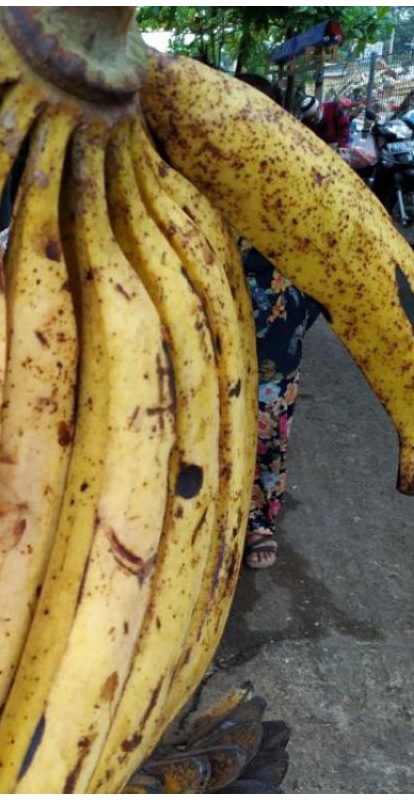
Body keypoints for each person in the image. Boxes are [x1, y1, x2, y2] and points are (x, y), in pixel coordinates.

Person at [236, 76, 323, 569]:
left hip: (276, 333)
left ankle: (259, 520)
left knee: (269, 431)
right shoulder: (196, 169)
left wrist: (300, 315)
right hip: (213, 327)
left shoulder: (296, 175)